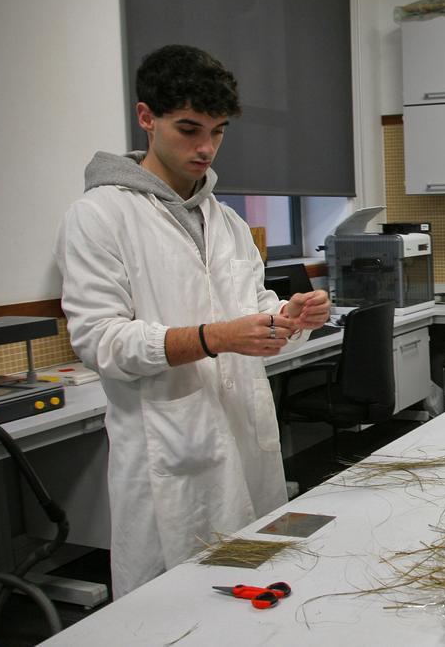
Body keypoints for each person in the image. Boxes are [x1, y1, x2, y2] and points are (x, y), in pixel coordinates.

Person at [55, 45, 331, 597]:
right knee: (177, 607)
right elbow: (99, 342)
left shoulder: (224, 220)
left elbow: (251, 307)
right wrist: (217, 338)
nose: (206, 147)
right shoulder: (100, 215)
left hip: (246, 440)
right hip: (170, 452)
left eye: (219, 131)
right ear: (146, 117)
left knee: (256, 593)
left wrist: (287, 316)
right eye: (188, 129)